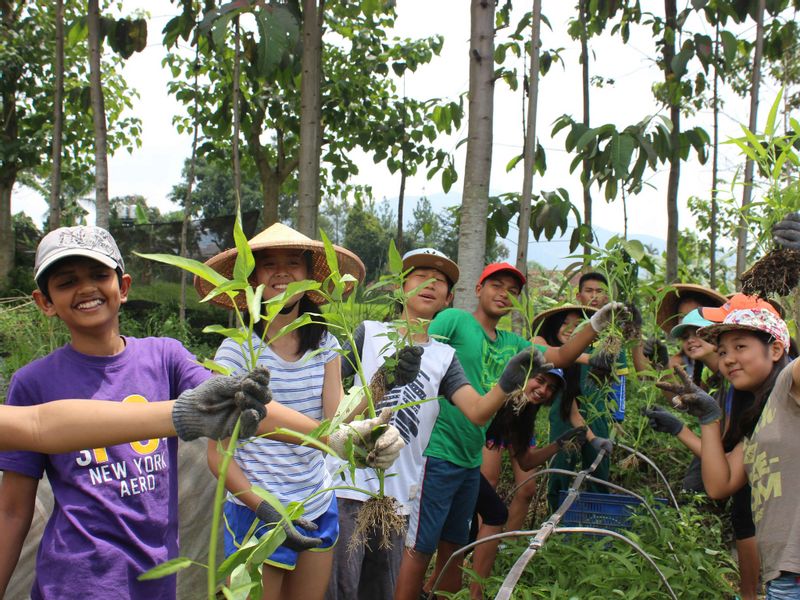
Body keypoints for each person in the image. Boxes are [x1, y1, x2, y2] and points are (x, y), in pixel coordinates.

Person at [0, 225, 265, 600]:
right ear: (45, 302)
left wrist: (331, 437)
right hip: (77, 582)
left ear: (123, 287)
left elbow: (228, 404)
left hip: (157, 576)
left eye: (98, 275)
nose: (86, 288)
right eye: (66, 281)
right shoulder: (33, 383)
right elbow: (12, 510)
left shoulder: (165, 357)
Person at [200, 223, 406, 600]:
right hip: (257, 510)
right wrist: (261, 507)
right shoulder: (236, 353)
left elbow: (335, 423)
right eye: (269, 264)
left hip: (315, 502)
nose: (282, 272)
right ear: (252, 278)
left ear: (311, 277)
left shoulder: (324, 343)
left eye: (293, 263)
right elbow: (217, 456)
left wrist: (383, 381)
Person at [397, 263, 624, 599]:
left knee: (454, 545)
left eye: (513, 291)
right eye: (496, 285)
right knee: (420, 547)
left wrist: (594, 325)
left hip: (469, 456)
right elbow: (417, 349)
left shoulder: (511, 342)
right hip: (436, 449)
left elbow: (560, 356)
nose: (504, 295)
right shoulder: (455, 321)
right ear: (478, 289)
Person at [659, 304, 797, 600]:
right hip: (782, 575)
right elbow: (720, 484)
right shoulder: (759, 423)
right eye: (722, 352)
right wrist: (709, 419)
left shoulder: (788, 383)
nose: (728, 359)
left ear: (774, 351)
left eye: (740, 346)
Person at [0, 374, 272, 452]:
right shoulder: (33, 380)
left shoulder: (164, 355)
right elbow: (37, 426)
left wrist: (314, 435)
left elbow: (37, 425)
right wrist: (187, 413)